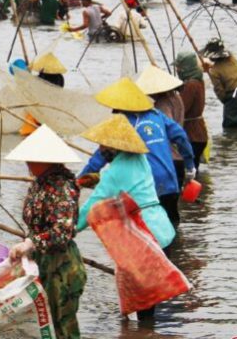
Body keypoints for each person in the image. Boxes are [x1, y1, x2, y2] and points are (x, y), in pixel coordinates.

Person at [76, 114, 174, 321]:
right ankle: (146, 332)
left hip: (145, 234)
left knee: (144, 300)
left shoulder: (115, 172)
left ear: (113, 147)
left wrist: (69, 228)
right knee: (150, 296)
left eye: (103, 145)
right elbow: (130, 183)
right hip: (161, 228)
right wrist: (98, 179)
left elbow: (91, 206)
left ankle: (144, 333)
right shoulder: (140, 159)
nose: (101, 150)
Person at [80, 78, 196, 227]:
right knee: (171, 229)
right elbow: (181, 137)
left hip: (146, 188)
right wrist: (190, 166)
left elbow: (100, 156)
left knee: (147, 232)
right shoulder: (157, 116)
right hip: (170, 182)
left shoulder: (122, 125)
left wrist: (80, 179)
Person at [6, 125, 86, 339]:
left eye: (32, 159)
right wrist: (26, 245)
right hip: (39, 263)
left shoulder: (62, 188)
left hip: (61, 267)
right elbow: (35, 225)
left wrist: (31, 243)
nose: (28, 164)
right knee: (37, 324)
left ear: (47, 160)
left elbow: (62, 232)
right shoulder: (39, 184)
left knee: (62, 327)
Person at [202, 38, 237, 128]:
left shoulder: (214, 71)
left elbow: (220, 92)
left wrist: (227, 103)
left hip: (234, 98)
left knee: (231, 129)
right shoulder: (232, 59)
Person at [175, 51, 209, 171]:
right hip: (199, 135)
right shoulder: (198, 81)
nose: (177, 70)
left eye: (179, 67)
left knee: (189, 172)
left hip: (193, 135)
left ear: (186, 67)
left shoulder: (191, 85)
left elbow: (181, 108)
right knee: (194, 171)